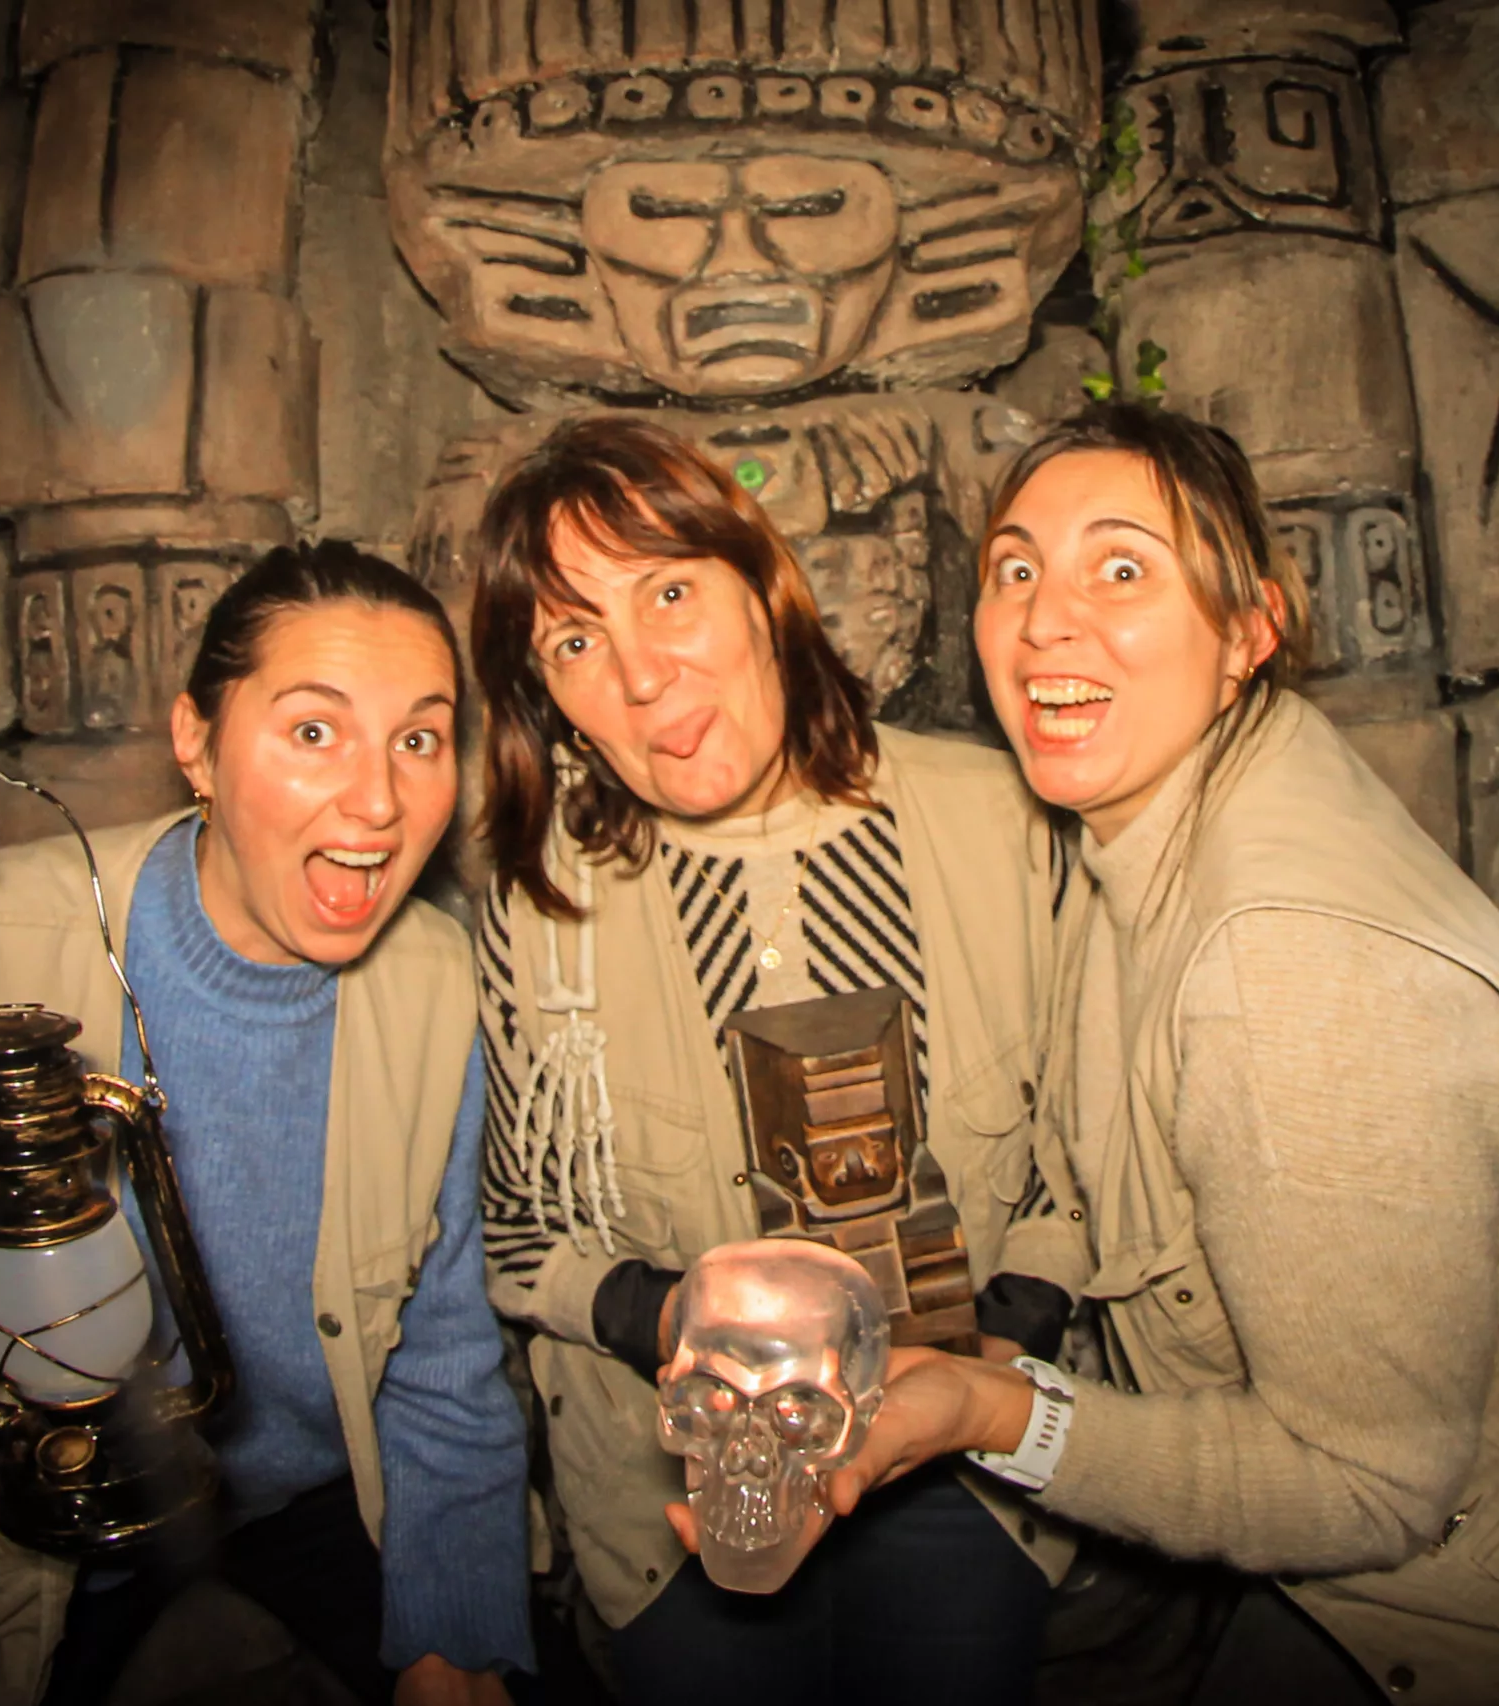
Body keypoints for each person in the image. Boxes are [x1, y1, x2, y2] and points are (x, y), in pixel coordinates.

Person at [821, 403, 1499, 1706]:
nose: (1043, 620)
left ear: (1249, 630)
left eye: (1121, 567)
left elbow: (1366, 1487)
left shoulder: (1286, 971)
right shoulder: (1160, 796)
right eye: (1016, 568)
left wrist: (996, 1414)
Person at [0, 544, 532, 1706]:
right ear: (195, 742)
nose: (378, 800)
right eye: (314, 730)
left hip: (312, 1492)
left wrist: (452, 1636)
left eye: (418, 738)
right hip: (24, 1527)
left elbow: (443, 1344)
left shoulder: (435, 976)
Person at [463, 416, 1090, 1706]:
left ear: (762, 586)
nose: (641, 675)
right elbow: (518, 1234)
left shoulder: (1002, 822)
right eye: (574, 642)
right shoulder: (541, 905)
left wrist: (990, 1352)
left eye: (669, 594)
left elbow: (1086, 1161)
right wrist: (673, 1321)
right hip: (683, 1514)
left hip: (971, 1488)